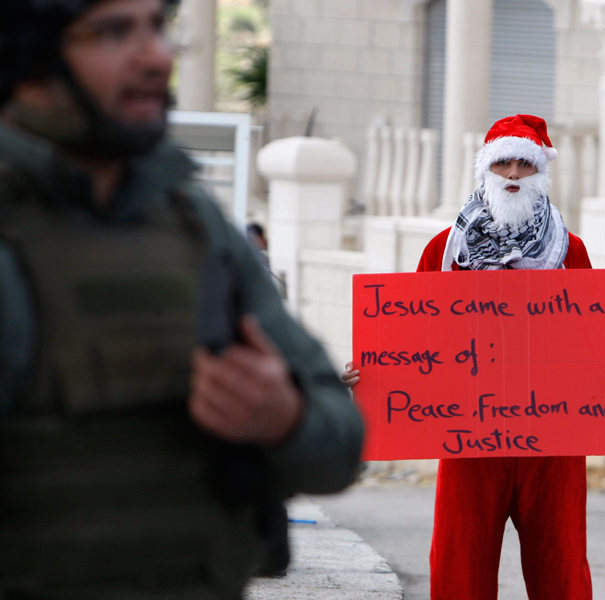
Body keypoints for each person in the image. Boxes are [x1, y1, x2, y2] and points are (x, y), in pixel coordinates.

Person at [0, 0, 364, 598]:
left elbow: (341, 444)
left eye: (158, 26)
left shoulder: (192, 220)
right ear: (28, 59)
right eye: (113, 32)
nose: (157, 57)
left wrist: (284, 419)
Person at [343, 114, 605, 600]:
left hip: (554, 440)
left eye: (525, 163)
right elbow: (409, 338)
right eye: (503, 163)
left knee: (561, 560)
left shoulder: (570, 251)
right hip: (469, 438)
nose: (514, 174)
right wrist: (370, 372)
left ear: (541, 171)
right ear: (486, 170)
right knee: (461, 559)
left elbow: (592, 338)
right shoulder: (445, 250)